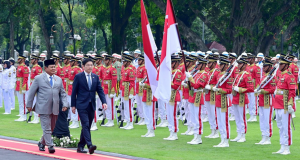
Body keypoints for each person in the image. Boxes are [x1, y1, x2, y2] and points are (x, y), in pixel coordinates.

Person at [26, 59, 68, 154]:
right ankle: (50, 145)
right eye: (51, 67)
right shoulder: (38, 78)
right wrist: (29, 105)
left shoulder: (59, 79)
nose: (54, 69)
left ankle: (41, 142)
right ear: (45, 68)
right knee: (47, 127)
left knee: (52, 127)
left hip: (55, 107)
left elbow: (63, 93)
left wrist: (65, 104)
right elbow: (31, 93)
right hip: (43, 106)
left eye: (54, 67)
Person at [71, 58, 107, 154]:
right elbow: (74, 91)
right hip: (81, 104)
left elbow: (100, 90)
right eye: (88, 65)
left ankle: (80, 146)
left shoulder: (95, 77)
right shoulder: (79, 76)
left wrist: (104, 102)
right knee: (85, 124)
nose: (90, 67)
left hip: (91, 104)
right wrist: (73, 105)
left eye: (91, 65)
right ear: (83, 66)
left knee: (87, 126)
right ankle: (90, 145)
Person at [272, 57, 296, 155]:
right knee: (280, 126)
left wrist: (290, 104)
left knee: (286, 127)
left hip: (285, 105)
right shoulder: (281, 75)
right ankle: (282, 146)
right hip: (278, 104)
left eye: (281, 64)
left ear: (286, 65)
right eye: (280, 64)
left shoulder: (289, 76)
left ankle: (287, 147)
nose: (279, 66)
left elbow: (292, 92)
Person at [184, 58, 208, 145]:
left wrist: (190, 78)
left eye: (199, 64)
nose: (197, 66)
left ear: (204, 65)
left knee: (197, 118)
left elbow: (197, 85)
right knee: (193, 118)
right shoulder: (197, 73)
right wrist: (187, 82)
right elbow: (191, 85)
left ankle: (198, 137)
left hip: (198, 96)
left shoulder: (204, 75)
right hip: (192, 96)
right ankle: (195, 136)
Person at [230, 58, 254, 143]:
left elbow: (251, 88)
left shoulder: (246, 75)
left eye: (240, 64)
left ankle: (243, 135)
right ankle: (239, 134)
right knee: (237, 117)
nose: (238, 65)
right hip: (236, 98)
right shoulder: (238, 74)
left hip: (242, 98)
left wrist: (239, 89)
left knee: (242, 117)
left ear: (244, 65)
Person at [212, 58, 233, 147]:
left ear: (225, 65)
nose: (219, 66)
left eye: (221, 65)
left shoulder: (228, 76)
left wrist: (220, 89)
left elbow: (229, 90)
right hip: (218, 99)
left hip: (224, 99)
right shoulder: (219, 75)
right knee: (220, 121)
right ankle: (222, 139)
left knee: (224, 121)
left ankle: (226, 140)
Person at [254, 60, 276, 145]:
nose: (263, 68)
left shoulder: (272, 77)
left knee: (267, 120)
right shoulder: (264, 76)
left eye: (265, 66)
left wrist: (262, 91)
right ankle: (263, 136)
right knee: (262, 120)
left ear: (270, 67)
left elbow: (273, 89)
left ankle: (268, 137)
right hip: (262, 100)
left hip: (268, 100)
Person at [163, 55, 185, 141]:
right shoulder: (170, 72)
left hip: (174, 95)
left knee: (173, 115)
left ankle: (175, 132)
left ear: (176, 63)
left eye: (172, 62)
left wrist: (168, 82)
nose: (171, 64)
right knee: (168, 114)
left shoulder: (178, 72)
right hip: (169, 94)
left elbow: (176, 86)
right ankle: (171, 131)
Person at [204, 55, 220, 138]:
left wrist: (210, 87)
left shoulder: (217, 72)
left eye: (209, 62)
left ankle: (216, 131)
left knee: (214, 113)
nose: (208, 64)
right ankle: (212, 130)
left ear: (214, 63)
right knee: (209, 113)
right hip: (207, 94)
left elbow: (217, 85)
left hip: (213, 94)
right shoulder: (209, 72)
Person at [120, 55, 136, 130]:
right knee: (126, 107)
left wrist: (131, 93)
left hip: (128, 91)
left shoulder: (130, 70)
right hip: (124, 90)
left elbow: (132, 83)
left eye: (125, 61)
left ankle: (130, 122)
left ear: (128, 62)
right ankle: (127, 122)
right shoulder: (125, 70)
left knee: (129, 107)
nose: (123, 62)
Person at [101, 55, 118, 127]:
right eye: (105, 60)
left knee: (110, 106)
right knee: (106, 105)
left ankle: (111, 120)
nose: (105, 61)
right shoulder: (104, 68)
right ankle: (108, 119)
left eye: (107, 60)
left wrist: (112, 91)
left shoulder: (112, 69)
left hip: (110, 88)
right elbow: (102, 79)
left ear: (110, 61)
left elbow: (114, 80)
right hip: (105, 88)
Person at [246, 53, 261, 122]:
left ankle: (254, 115)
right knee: (249, 102)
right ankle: (251, 115)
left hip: (253, 87)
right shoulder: (248, 67)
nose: (248, 60)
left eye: (249, 58)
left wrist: (256, 88)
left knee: (254, 102)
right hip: (248, 87)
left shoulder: (256, 67)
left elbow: (257, 79)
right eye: (248, 58)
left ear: (253, 59)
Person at [28, 54, 43, 124]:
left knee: (36, 102)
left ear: (36, 60)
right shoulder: (33, 67)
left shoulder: (38, 68)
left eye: (32, 59)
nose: (31, 60)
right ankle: (35, 117)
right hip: (32, 85)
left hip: (37, 87)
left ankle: (37, 118)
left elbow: (40, 78)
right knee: (33, 102)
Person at [68, 57, 82, 128]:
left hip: (75, 88)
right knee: (71, 105)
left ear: (75, 62)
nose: (70, 62)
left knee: (75, 105)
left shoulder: (78, 69)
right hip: (70, 88)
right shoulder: (71, 69)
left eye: (72, 61)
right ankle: (73, 120)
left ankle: (76, 121)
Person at [15, 55, 29, 122]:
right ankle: (21, 115)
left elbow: (25, 78)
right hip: (18, 84)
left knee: (23, 102)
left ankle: (24, 116)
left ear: (23, 59)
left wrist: (24, 87)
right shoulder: (19, 66)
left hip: (21, 85)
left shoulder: (24, 67)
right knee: (20, 102)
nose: (18, 60)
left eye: (19, 59)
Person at [135, 55, 147, 125]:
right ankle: (141, 117)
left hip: (141, 87)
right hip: (137, 87)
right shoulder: (138, 68)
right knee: (139, 104)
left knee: (142, 104)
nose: (138, 61)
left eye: (139, 60)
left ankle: (144, 117)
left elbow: (145, 77)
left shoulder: (144, 68)